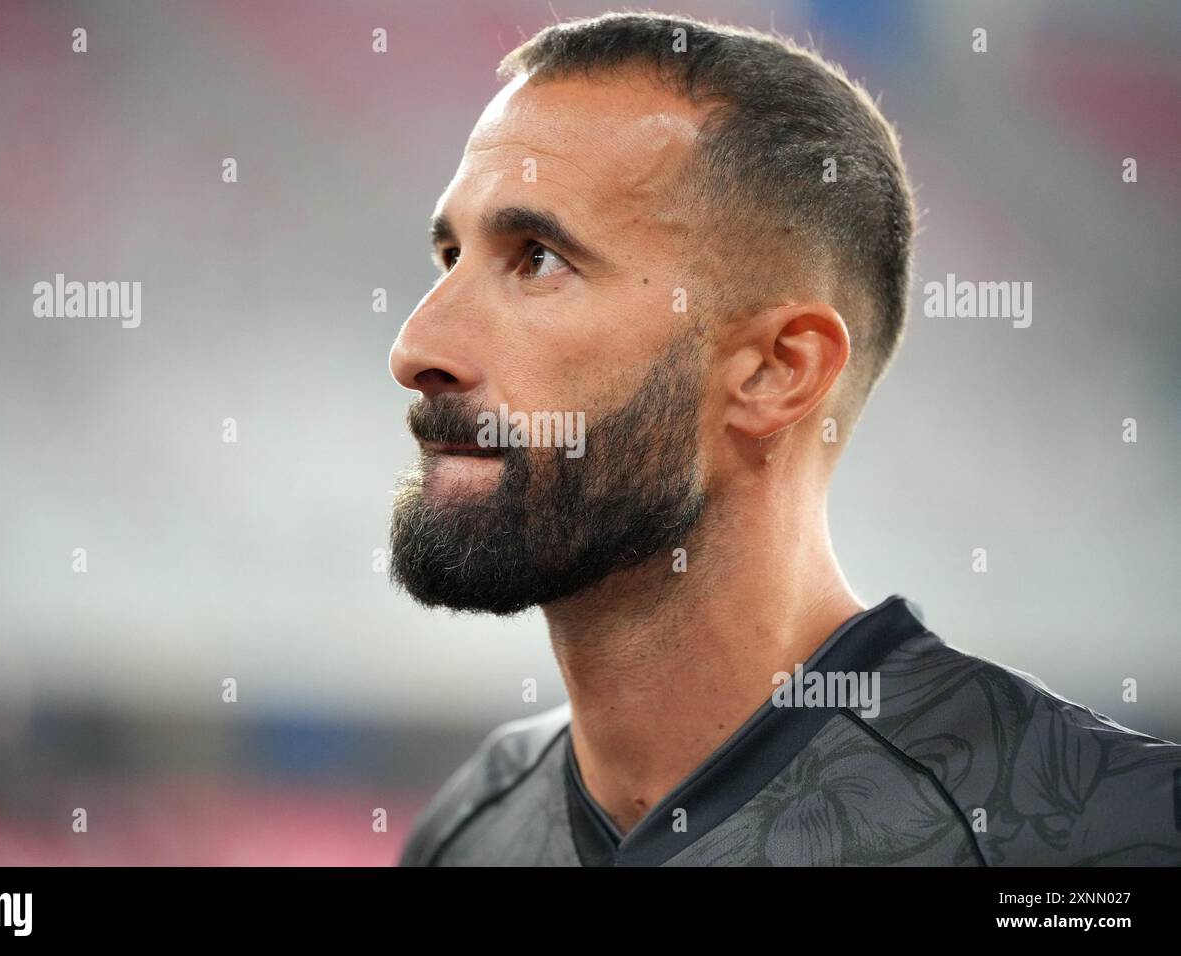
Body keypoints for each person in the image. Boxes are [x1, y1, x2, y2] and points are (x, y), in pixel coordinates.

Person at [385, 12, 1181, 866]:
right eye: (448, 257)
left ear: (775, 370)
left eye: (537, 257)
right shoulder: (469, 830)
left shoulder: (1100, 838)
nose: (415, 350)